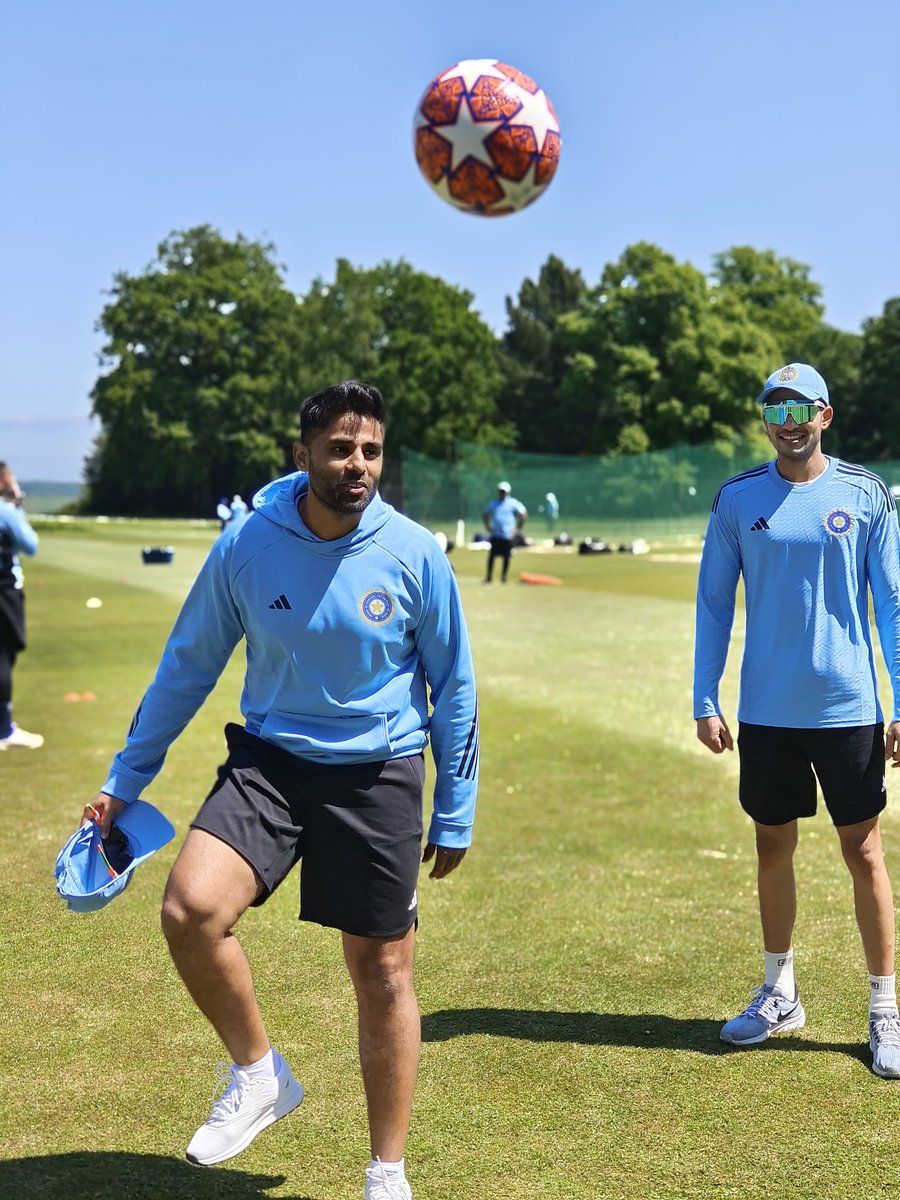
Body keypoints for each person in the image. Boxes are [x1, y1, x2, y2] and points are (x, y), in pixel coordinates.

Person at [80, 381, 479, 1197]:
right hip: (271, 763)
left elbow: (456, 685)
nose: (358, 464)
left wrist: (456, 806)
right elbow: (187, 666)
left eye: (370, 450)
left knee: (383, 973)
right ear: (302, 456)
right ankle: (260, 1074)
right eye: (340, 448)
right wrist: (124, 783)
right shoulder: (248, 543)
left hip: (380, 773)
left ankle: (387, 1172)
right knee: (189, 910)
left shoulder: (413, 553)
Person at [693, 362, 900, 1079]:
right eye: (774, 408)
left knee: (864, 853)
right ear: (764, 418)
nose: (788, 421)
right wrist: (703, 695)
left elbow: (893, 604)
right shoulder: (737, 498)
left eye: (800, 408)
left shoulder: (865, 494)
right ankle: (780, 992)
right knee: (772, 846)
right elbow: (714, 603)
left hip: (849, 709)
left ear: (825, 414)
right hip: (769, 714)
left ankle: (884, 1009)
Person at [0, 462, 43, 750]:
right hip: (3, 591)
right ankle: (4, 728)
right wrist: (16, 505)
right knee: (3, 655)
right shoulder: (5, 512)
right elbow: (30, 544)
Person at [482, 481, 526, 583]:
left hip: (507, 536)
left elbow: (523, 514)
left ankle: (504, 577)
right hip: (496, 535)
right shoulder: (493, 503)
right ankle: (489, 577)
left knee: (506, 557)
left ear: (508, 493)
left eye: (504, 492)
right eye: (500, 491)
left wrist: (518, 528)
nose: (502, 494)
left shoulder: (513, 503)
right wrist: (488, 527)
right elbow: (485, 514)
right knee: (492, 556)